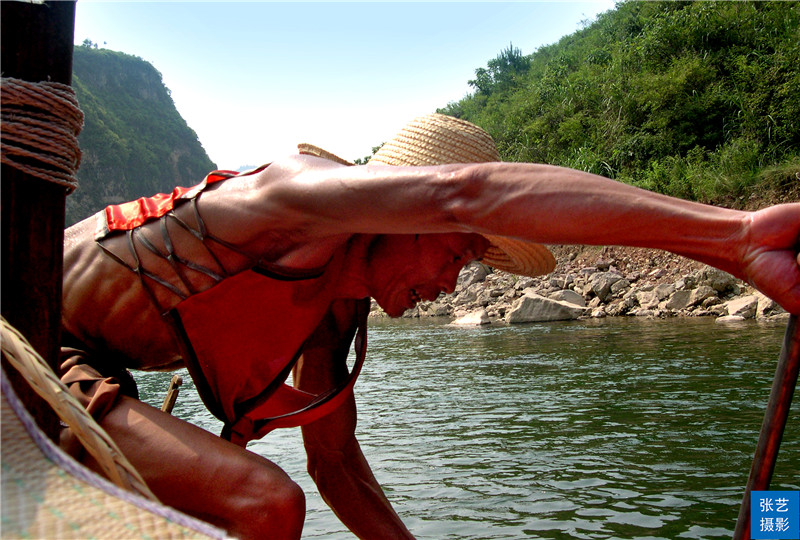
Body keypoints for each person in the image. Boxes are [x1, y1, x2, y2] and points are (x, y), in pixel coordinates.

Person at [60, 113, 800, 539]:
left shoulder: (337, 304)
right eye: (457, 252)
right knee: (264, 501)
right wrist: (733, 238)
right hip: (25, 339)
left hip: (97, 374)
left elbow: (336, 464)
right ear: (403, 213)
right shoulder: (289, 200)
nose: (451, 281)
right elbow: (467, 193)